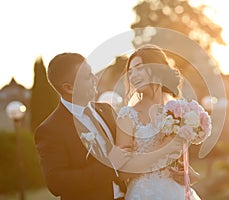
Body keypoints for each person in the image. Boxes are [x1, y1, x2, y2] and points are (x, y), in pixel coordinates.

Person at [34, 53, 126, 200]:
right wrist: (110, 166)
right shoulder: (50, 130)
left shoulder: (106, 110)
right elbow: (57, 183)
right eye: (88, 76)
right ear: (69, 88)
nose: (95, 79)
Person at [116, 44, 202, 200]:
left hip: (178, 193)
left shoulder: (178, 110)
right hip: (145, 193)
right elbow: (122, 171)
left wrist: (189, 174)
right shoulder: (128, 115)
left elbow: (175, 160)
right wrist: (165, 148)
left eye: (139, 68)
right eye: (130, 71)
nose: (133, 75)